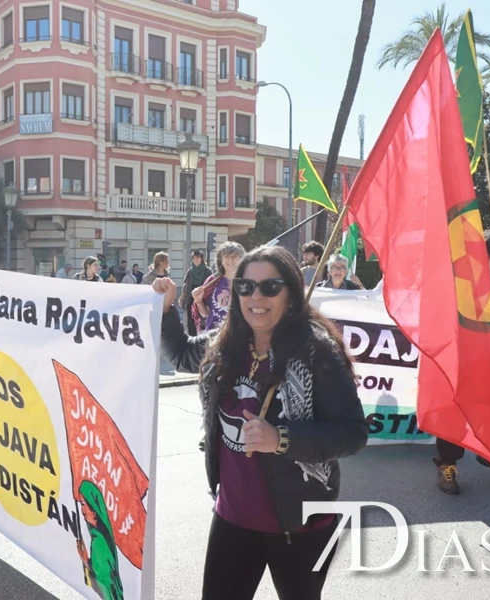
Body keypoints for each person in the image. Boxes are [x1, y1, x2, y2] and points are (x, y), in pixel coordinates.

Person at [153, 245, 367, 600]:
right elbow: (182, 354)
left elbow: (353, 433)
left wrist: (281, 439)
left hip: (300, 524)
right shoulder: (225, 341)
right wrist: (165, 311)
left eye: (270, 287)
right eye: (245, 287)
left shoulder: (317, 352)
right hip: (232, 516)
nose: (256, 296)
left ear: (292, 294)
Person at [433, 232, 490, 493]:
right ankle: (447, 465)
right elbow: (456, 315)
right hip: (462, 358)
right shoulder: (461, 276)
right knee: (454, 413)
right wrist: (489, 303)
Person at [76, 479, 124, 600]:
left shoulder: (99, 544)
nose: (82, 511)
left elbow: (104, 591)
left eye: (83, 504)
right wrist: (86, 559)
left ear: (93, 509)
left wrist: (86, 562)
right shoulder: (101, 537)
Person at [193, 241, 245, 333]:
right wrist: (198, 300)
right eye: (226, 257)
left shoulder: (247, 282)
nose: (230, 260)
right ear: (220, 260)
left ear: (241, 259)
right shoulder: (212, 281)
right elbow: (205, 314)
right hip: (214, 336)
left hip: (239, 335)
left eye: (235, 257)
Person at [181, 250, 212, 336]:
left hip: (202, 296)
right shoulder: (190, 271)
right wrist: (182, 297)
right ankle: (192, 335)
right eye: (194, 258)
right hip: (190, 295)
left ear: (201, 258)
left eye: (197, 258)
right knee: (190, 315)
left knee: (202, 315)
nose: (195, 260)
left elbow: (211, 284)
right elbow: (185, 284)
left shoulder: (207, 271)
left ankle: (203, 334)